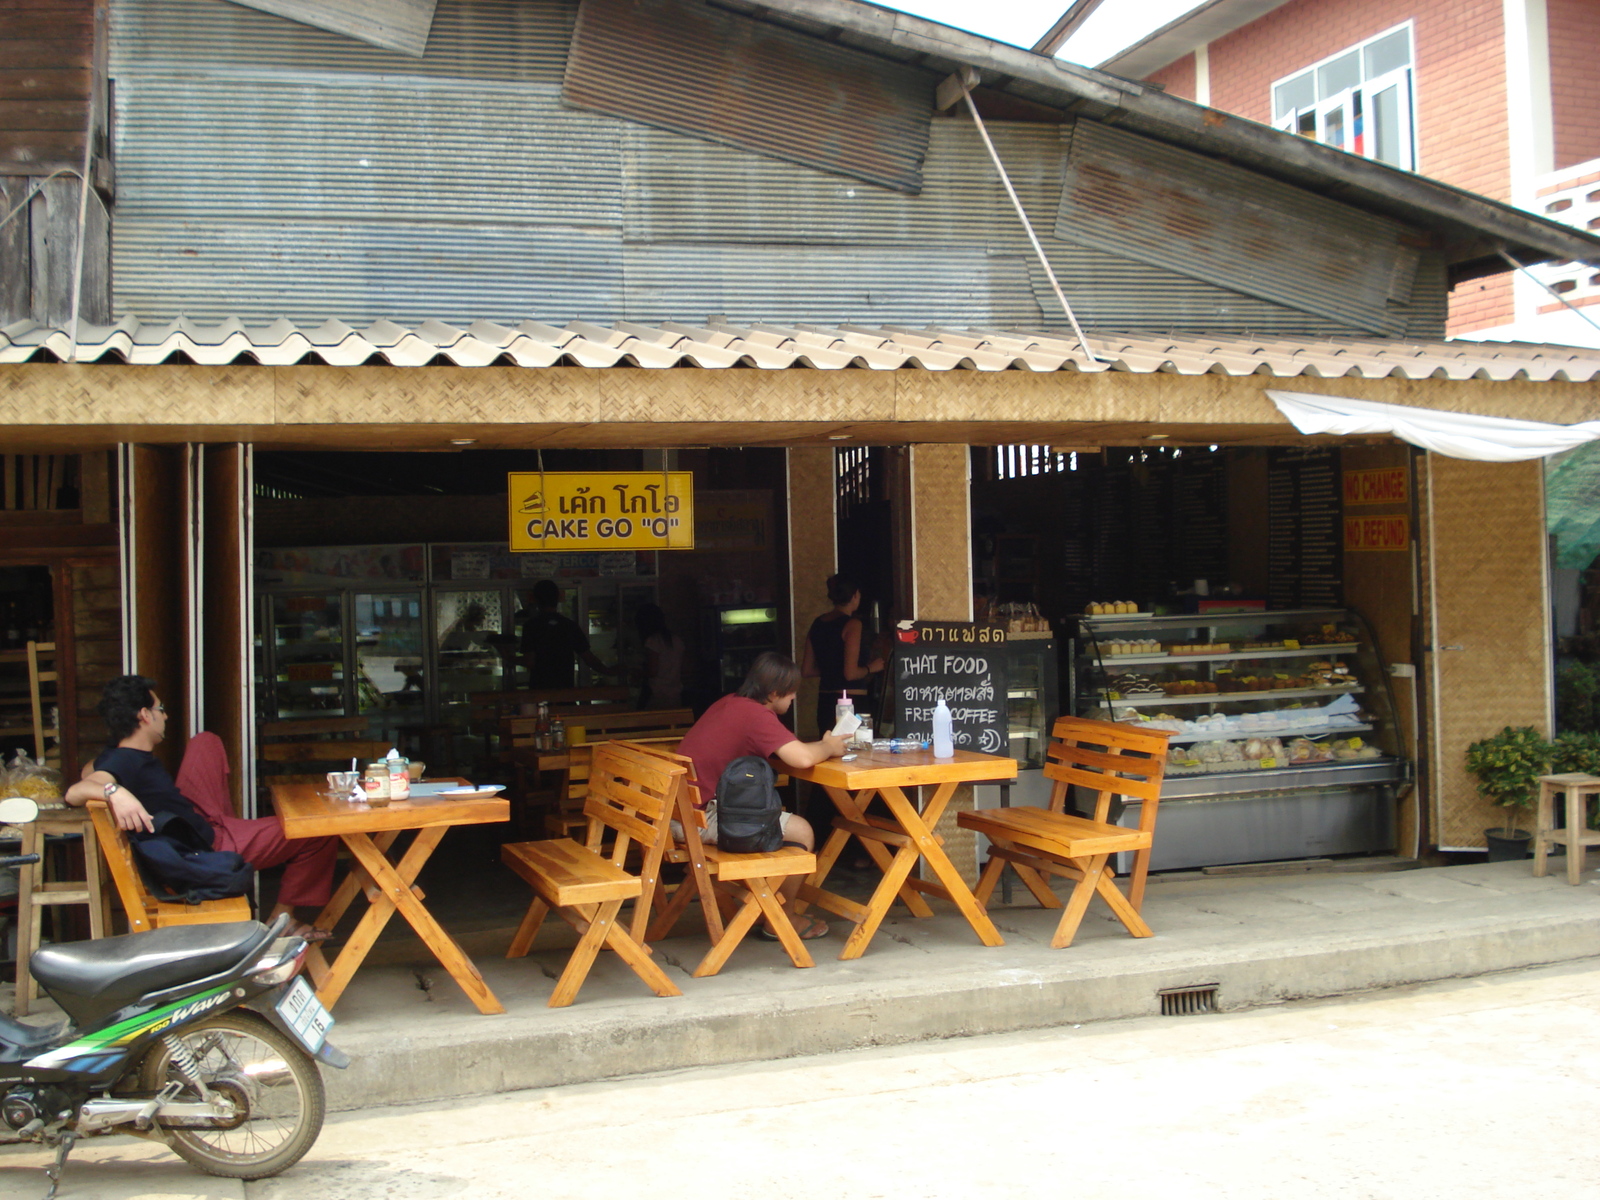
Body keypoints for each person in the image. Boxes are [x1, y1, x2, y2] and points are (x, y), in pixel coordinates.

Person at [63, 675, 339, 941]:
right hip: (205, 847)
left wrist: (108, 783)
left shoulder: (116, 755)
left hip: (194, 821)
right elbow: (74, 793)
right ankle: (282, 920)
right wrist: (115, 792)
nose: (166, 715)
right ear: (145, 715)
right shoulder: (125, 763)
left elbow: (90, 772)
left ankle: (229, 823)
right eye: (161, 709)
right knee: (317, 829)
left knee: (205, 742)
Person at [675, 651, 846, 941]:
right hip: (695, 821)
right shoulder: (756, 715)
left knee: (775, 820)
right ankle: (783, 917)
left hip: (676, 811)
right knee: (802, 831)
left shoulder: (729, 703)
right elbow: (802, 758)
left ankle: (767, 905)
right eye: (791, 694)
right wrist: (828, 746)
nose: (793, 700)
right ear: (776, 692)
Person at [802, 574, 886, 739]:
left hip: (826, 700)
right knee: (857, 752)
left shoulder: (818, 623)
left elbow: (807, 670)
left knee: (830, 751)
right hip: (851, 702)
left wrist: (831, 667)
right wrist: (871, 668)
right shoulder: (853, 624)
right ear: (854, 595)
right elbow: (850, 673)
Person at [514, 580, 614, 688]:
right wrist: (609, 671)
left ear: (535, 599)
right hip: (565, 691)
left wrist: (508, 657)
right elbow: (589, 658)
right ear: (558, 598)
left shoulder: (531, 626)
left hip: (540, 692)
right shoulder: (569, 626)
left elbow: (529, 662)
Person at [634, 602, 683, 709]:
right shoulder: (676, 639)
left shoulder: (653, 641)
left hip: (658, 694)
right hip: (674, 693)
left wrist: (638, 673)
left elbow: (653, 670)